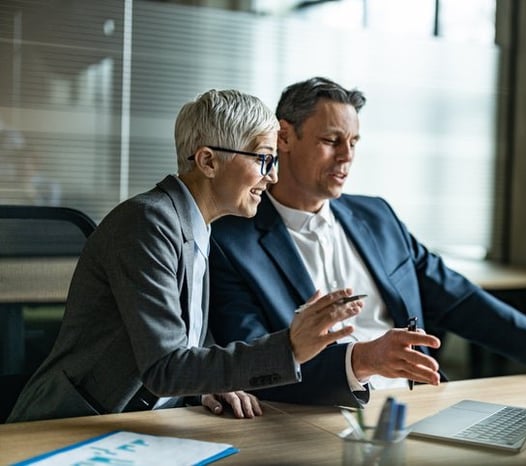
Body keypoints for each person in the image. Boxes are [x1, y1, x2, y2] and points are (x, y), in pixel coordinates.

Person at [207, 77, 526, 408]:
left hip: (419, 405)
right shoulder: (230, 240)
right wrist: (361, 360)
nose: (347, 156)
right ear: (285, 137)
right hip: (319, 417)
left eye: (354, 142)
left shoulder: (379, 217)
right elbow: (254, 361)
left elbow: (462, 300)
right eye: (331, 140)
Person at [7, 89, 361, 423]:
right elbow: (165, 367)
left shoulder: (198, 225)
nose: (272, 177)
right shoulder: (148, 222)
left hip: (142, 421)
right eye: (264, 158)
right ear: (208, 161)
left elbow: (186, 336)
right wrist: (290, 348)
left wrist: (208, 383)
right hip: (73, 425)